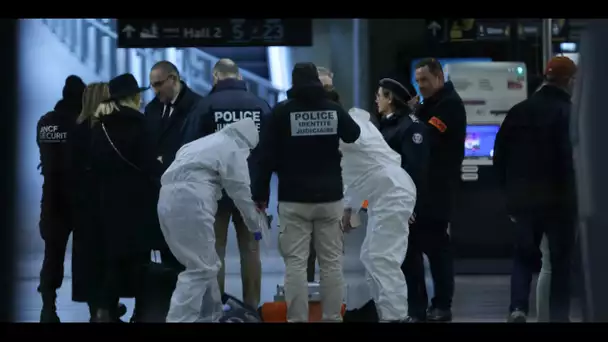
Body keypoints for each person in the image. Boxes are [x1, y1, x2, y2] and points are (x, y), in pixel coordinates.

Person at [251, 62, 361, 322]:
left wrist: (260, 195)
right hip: (330, 197)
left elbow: (264, 157)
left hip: (294, 199)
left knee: (296, 265)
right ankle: (333, 318)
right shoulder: (333, 109)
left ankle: (297, 319)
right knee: (332, 263)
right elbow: (353, 134)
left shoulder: (280, 113)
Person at [157, 118, 267, 323]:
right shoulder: (234, 149)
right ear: (248, 143)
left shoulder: (201, 143)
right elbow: (241, 193)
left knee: (206, 263)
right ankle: (178, 319)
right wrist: (255, 225)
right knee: (200, 268)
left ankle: (211, 315)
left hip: (166, 201)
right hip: (191, 202)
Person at [494, 56, 577, 323]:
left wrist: (507, 195)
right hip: (558, 201)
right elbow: (571, 159)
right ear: (570, 81)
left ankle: (517, 309)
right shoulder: (568, 113)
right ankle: (556, 318)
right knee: (557, 264)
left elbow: (500, 156)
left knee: (523, 256)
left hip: (522, 200)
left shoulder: (519, 110)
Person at [182, 58, 271, 309]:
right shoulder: (259, 105)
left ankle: (217, 307)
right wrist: (263, 194)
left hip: (216, 192)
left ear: (215, 77)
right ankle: (252, 307)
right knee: (251, 251)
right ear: (239, 77)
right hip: (250, 193)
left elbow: (190, 150)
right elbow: (269, 152)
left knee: (215, 251)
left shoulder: (205, 106)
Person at [89, 73, 162, 322]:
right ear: (133, 97)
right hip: (139, 204)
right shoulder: (141, 125)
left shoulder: (100, 126)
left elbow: (94, 164)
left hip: (108, 203)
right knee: (141, 261)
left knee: (113, 259)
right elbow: (150, 165)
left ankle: (105, 310)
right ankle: (140, 313)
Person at [340, 103, 418, 322]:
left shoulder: (349, 136)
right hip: (390, 191)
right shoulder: (360, 128)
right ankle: (385, 311)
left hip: (392, 191)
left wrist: (348, 210)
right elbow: (359, 176)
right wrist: (349, 209)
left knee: (383, 258)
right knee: (372, 256)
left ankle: (395, 316)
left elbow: (353, 177)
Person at [410, 58, 466, 322]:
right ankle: (420, 305)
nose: (421, 86)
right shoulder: (428, 104)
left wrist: (409, 116)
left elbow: (424, 137)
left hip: (437, 191)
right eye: (418, 81)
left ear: (439, 78)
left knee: (437, 250)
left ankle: (442, 304)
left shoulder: (449, 105)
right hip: (422, 191)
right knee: (416, 249)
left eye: (425, 80)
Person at [70, 82, 128, 322]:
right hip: (109, 202)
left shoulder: (77, 127)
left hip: (83, 206)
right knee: (110, 257)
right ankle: (108, 307)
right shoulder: (111, 128)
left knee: (88, 259)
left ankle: (96, 310)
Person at [376, 77, 430, 322]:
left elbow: (414, 170)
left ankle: (417, 311)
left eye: (380, 95)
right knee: (392, 258)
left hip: (402, 204)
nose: (376, 99)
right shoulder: (388, 125)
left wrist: (410, 206)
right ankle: (397, 309)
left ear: (390, 99)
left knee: (410, 259)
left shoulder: (411, 127)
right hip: (387, 202)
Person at [36, 75, 85, 323]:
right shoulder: (81, 123)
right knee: (87, 254)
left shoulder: (45, 122)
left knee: (52, 254)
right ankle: (98, 308)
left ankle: (48, 307)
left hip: (52, 199)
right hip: (79, 198)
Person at [145, 60, 203, 269]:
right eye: (152, 85)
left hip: (186, 193)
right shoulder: (152, 109)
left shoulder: (198, 107)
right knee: (164, 251)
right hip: (158, 192)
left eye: (159, 84)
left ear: (173, 79)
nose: (155, 90)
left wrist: (165, 159)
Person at [306, 66, 335, 283]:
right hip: (301, 193)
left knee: (330, 256)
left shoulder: (338, 111)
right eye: (321, 86)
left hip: (331, 192)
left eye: (328, 87)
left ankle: (331, 308)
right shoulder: (293, 110)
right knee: (302, 256)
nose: (324, 91)